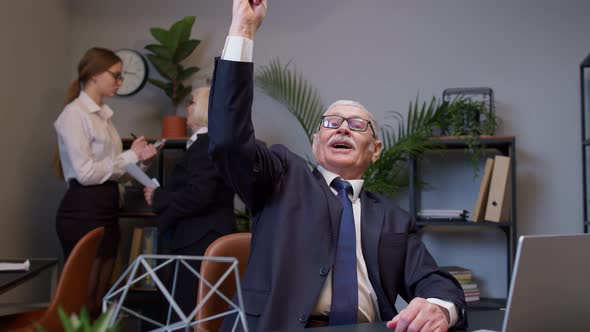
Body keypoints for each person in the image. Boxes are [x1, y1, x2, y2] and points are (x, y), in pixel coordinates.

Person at [207, 1, 467, 331]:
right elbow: (228, 140)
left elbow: (437, 283)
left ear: (375, 150)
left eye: (357, 125)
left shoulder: (393, 219)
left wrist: (439, 309)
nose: (343, 128)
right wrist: (243, 29)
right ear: (316, 143)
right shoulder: (281, 178)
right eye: (332, 122)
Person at [53, 47, 157, 316]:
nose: (120, 83)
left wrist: (138, 159)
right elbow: (87, 173)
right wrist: (128, 156)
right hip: (84, 209)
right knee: (82, 297)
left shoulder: (104, 117)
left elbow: (113, 170)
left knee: (99, 297)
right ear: (95, 74)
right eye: (116, 76)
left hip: (108, 207)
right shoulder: (74, 115)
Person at [143, 86, 235, 317]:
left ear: (204, 108)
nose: (188, 107)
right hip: (202, 236)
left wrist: (158, 197)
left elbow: (199, 195)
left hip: (200, 239)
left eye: (192, 102)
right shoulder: (208, 143)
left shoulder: (205, 144)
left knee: (191, 310)